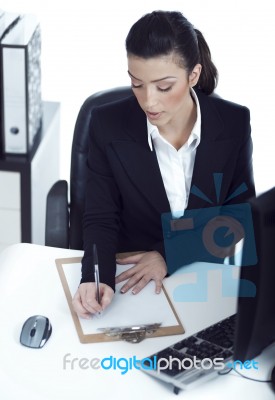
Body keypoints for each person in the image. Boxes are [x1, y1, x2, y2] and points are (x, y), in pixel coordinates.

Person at [72, 10, 255, 319]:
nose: (148, 101)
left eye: (164, 87)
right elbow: (101, 216)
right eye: (137, 84)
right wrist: (95, 276)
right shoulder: (106, 124)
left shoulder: (233, 123)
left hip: (200, 272)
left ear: (193, 75)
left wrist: (169, 255)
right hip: (132, 278)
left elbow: (239, 216)